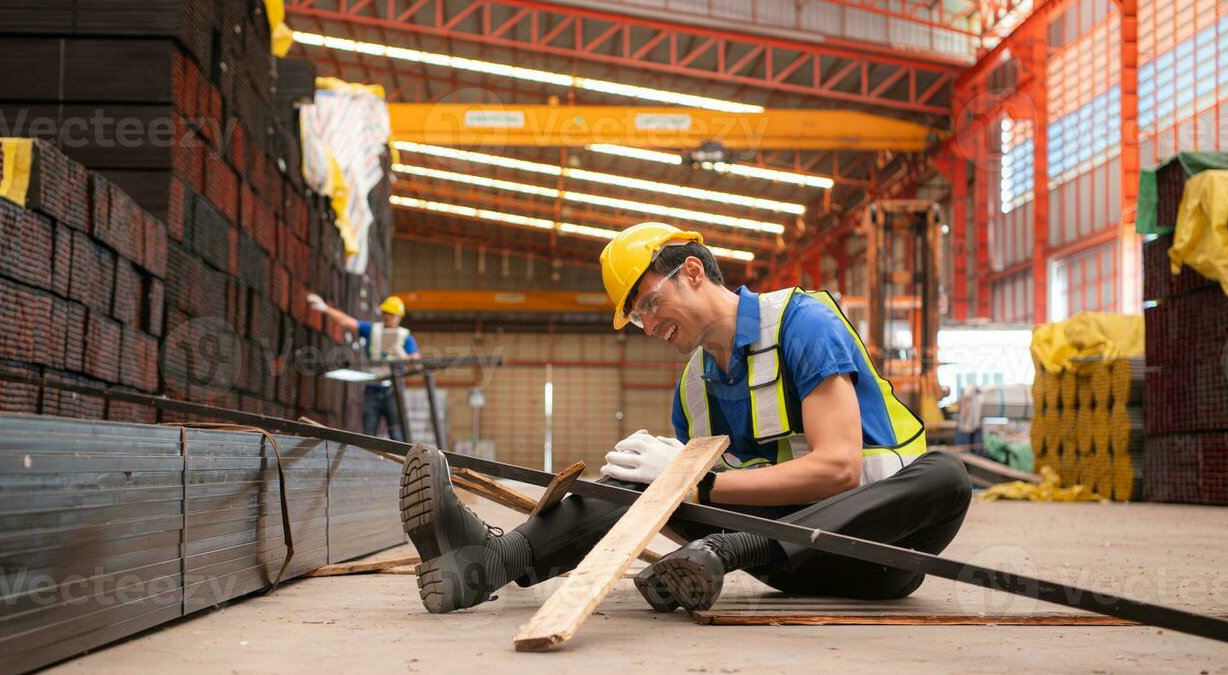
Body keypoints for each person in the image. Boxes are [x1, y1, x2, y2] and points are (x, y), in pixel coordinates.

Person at [396, 222, 971, 615]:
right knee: (632, 483)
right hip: (774, 553)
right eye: (636, 318)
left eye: (648, 304)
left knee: (946, 474)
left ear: (693, 272)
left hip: (877, 552)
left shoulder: (801, 324)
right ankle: (486, 562)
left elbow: (842, 468)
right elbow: (686, 495)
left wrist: (701, 480)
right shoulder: (695, 385)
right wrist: (659, 477)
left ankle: (723, 554)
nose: (648, 326)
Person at [307, 292, 420, 441]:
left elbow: (417, 362)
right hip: (373, 387)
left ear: (399, 317)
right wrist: (325, 309)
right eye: (386, 313)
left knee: (396, 432)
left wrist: (404, 357)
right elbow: (346, 321)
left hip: (393, 390)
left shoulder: (405, 336)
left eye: (392, 314)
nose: (388, 317)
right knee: (369, 433)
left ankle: (400, 463)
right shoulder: (373, 330)